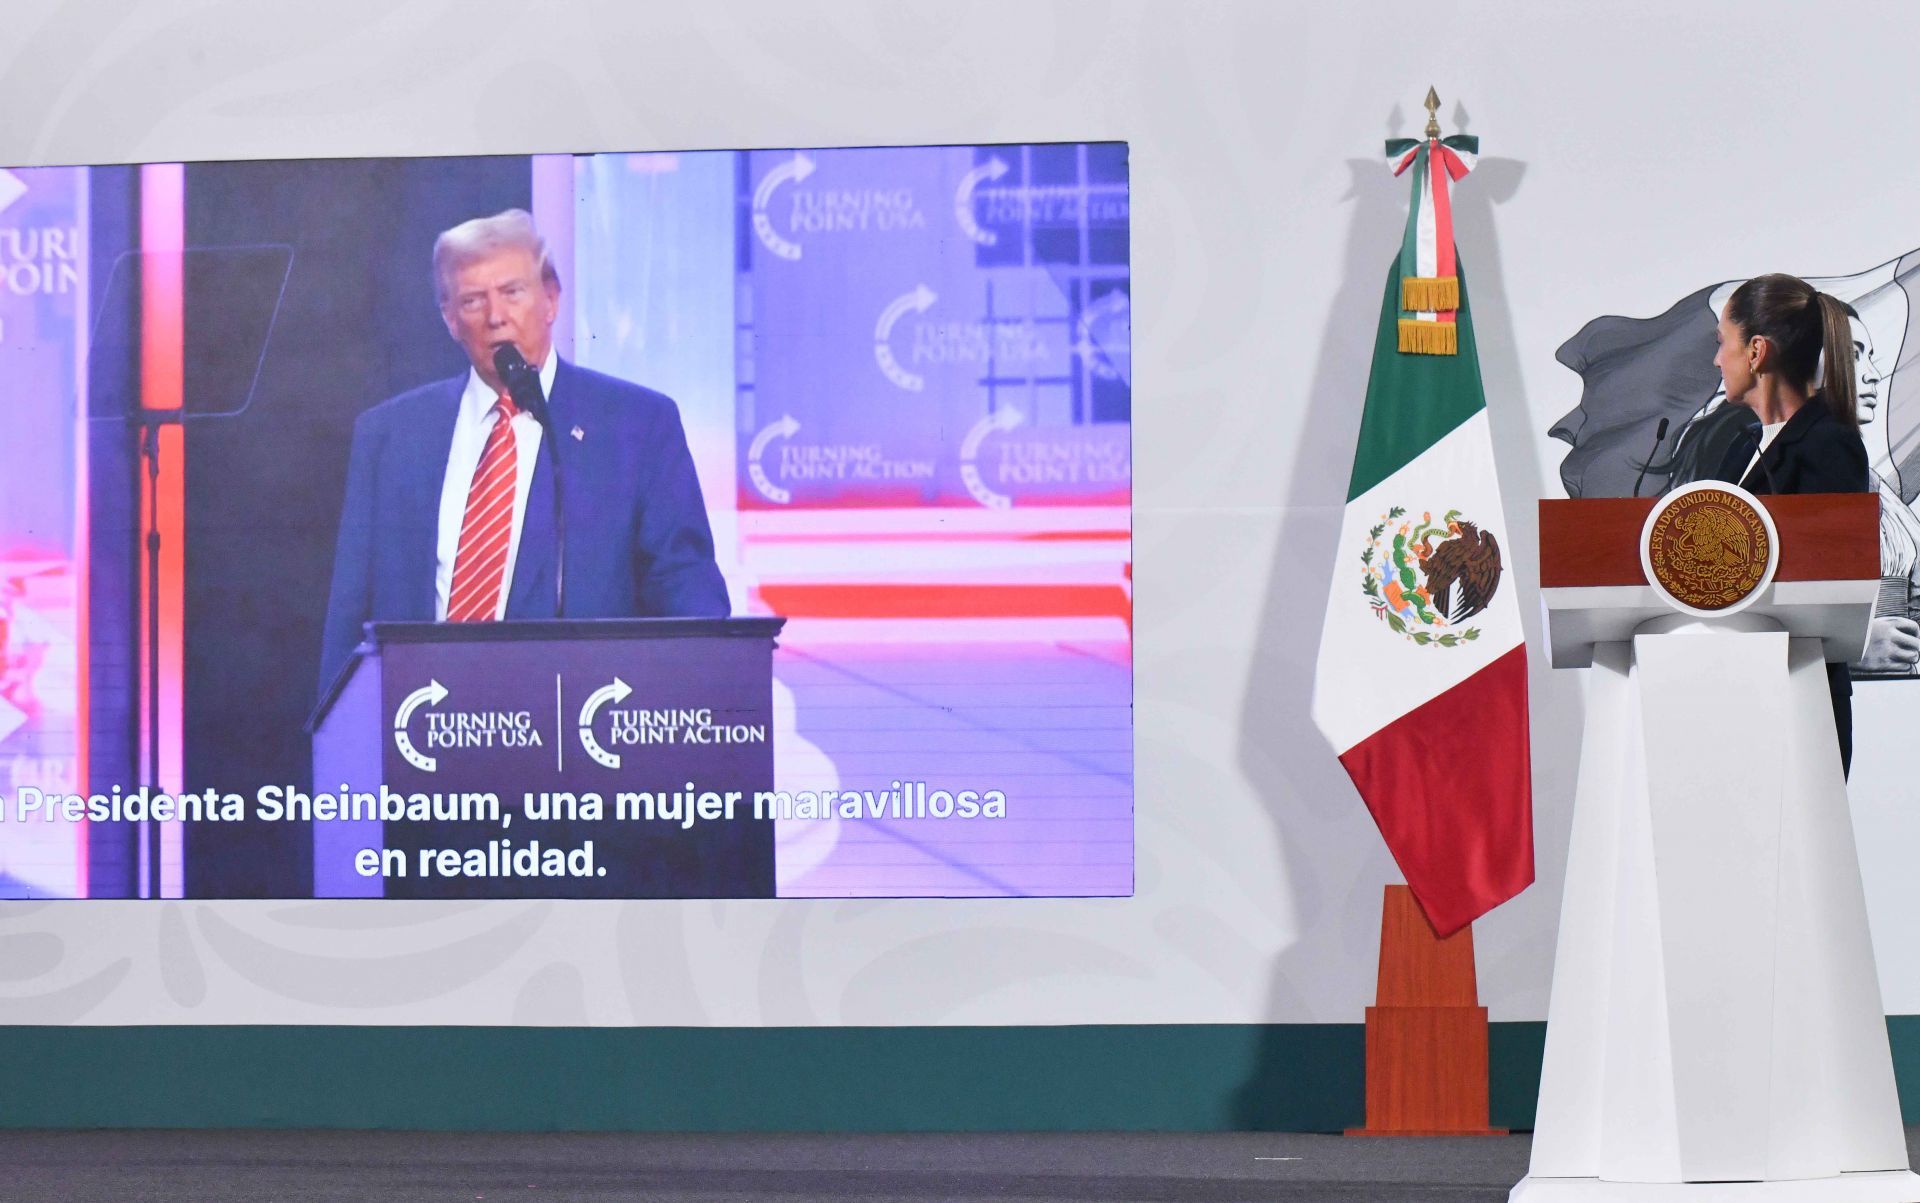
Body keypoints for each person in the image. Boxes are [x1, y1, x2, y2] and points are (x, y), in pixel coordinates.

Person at [319, 209, 730, 691]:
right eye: (473, 301)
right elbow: (348, 624)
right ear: (450, 320)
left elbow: (688, 599)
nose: (496, 318)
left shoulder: (636, 427)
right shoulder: (390, 436)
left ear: (551, 299)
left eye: (513, 293)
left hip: (576, 732)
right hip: (421, 727)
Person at [1708, 273, 1870, 774]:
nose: (1717, 360)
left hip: (1801, 693)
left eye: (1722, 343)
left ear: (1756, 352)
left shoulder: (1829, 443)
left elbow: (1831, 579)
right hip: (1735, 688)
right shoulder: (1738, 448)